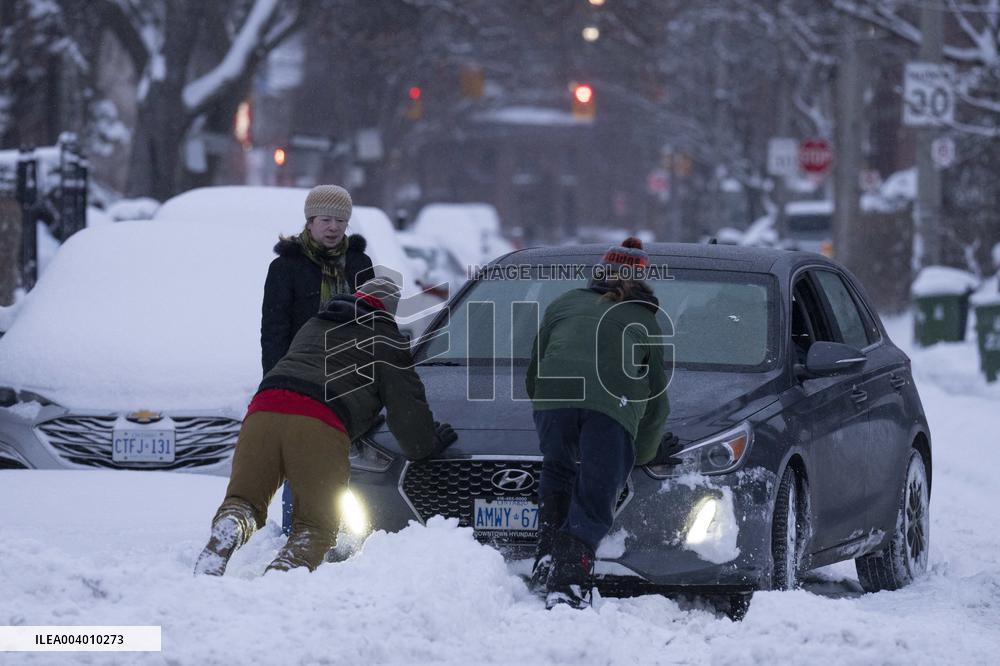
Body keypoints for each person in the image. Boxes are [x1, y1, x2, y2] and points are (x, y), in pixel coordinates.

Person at [195, 277, 457, 575]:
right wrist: (426, 445)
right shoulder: (387, 340)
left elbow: (320, 372)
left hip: (262, 412)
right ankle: (280, 579)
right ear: (390, 311)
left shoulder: (315, 324)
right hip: (317, 423)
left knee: (244, 501)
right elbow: (406, 409)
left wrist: (364, 418)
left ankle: (230, 526)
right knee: (315, 526)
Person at [526, 237, 677, 610]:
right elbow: (657, 401)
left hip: (552, 399)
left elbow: (534, 372)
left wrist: (551, 409)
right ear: (641, 280)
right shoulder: (644, 320)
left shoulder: (564, 302)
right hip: (611, 408)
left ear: (600, 272)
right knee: (595, 493)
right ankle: (568, 581)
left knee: (558, 469)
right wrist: (644, 452)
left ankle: (547, 557)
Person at [261, 184, 375, 532]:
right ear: (310, 221)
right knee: (300, 454)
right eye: (326, 219)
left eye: (341, 221)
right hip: (299, 377)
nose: (333, 227)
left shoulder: (360, 265)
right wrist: (274, 381)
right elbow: (274, 330)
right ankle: (297, 529)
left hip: (349, 375)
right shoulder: (286, 267)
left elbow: (373, 324)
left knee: (347, 456)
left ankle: (347, 528)